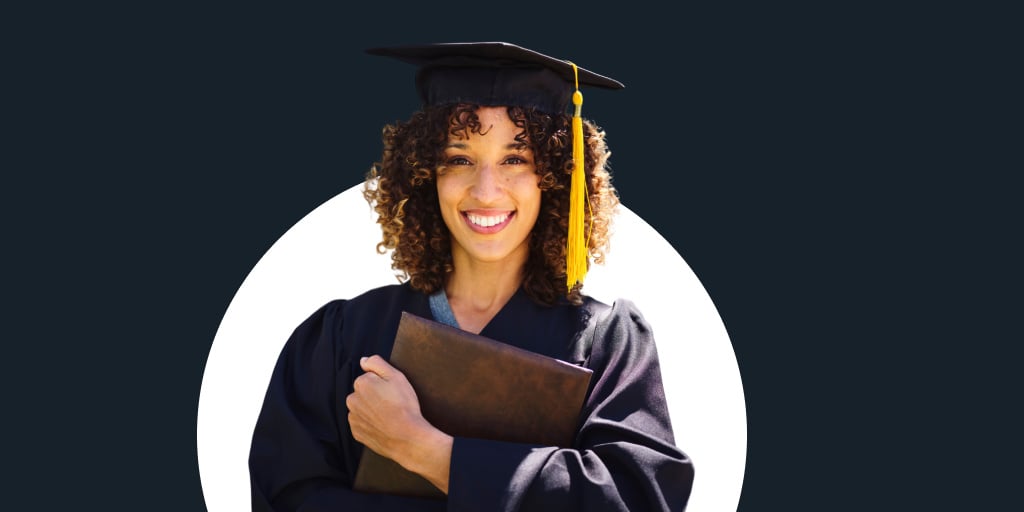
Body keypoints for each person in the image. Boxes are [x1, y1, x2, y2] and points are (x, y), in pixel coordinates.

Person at [248, 41, 694, 511]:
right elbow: (288, 495)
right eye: (459, 158)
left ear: (556, 176)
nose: (485, 190)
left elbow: (637, 499)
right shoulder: (343, 337)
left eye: (514, 159)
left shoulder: (607, 344)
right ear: (424, 173)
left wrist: (427, 451)